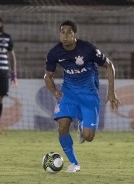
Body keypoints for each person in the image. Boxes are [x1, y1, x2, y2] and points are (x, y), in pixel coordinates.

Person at [44, 20, 121, 173]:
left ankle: (81, 126)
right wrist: (54, 91)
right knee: (62, 126)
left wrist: (111, 92)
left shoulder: (88, 49)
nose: (65, 36)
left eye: (69, 32)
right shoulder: (54, 53)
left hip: (89, 95)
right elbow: (48, 76)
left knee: (88, 136)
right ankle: (74, 163)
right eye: (62, 32)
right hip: (69, 94)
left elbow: (109, 65)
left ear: (75, 35)